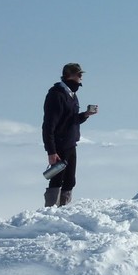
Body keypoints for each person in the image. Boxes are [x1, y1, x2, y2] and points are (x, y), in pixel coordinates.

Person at [42, 62, 97, 207]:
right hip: (59, 145)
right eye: (79, 74)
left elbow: (70, 121)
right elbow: (48, 125)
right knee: (56, 178)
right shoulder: (56, 95)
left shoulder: (71, 95)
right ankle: (50, 212)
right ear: (68, 75)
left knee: (70, 180)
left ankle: (64, 210)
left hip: (71, 143)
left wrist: (85, 115)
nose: (81, 78)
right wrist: (51, 151)